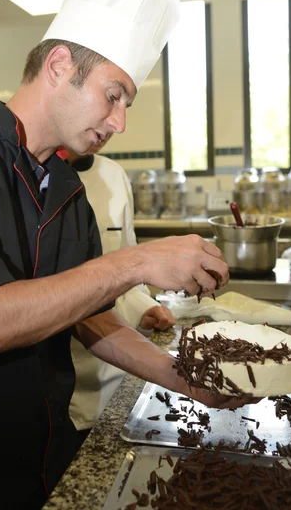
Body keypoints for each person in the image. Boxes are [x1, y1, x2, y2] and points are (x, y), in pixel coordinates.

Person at [0, 0, 249, 510]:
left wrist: (185, 380)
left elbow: (91, 321)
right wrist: (134, 261)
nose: (119, 121)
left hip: (47, 457)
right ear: (59, 66)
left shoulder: (67, 190)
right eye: (113, 96)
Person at [68, 135, 175, 438]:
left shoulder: (114, 175)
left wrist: (145, 308)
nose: (115, 125)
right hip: (63, 390)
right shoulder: (34, 179)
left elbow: (127, 274)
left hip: (118, 375)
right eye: (110, 97)